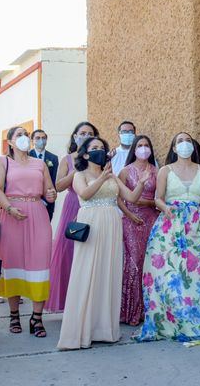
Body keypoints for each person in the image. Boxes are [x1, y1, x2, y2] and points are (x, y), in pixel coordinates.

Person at [135, 132, 200, 345]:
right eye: (180, 141)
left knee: (196, 276)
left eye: (187, 140)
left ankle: (196, 324)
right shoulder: (165, 170)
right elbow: (157, 199)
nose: (184, 144)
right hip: (169, 228)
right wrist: (166, 208)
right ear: (173, 148)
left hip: (197, 228)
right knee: (171, 277)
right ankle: (172, 323)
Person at [57, 137, 149, 349]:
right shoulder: (79, 175)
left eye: (102, 148)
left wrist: (142, 183)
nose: (100, 151)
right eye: (95, 148)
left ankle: (103, 329)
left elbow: (131, 198)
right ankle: (80, 331)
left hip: (112, 224)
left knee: (107, 273)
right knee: (87, 272)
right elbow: (85, 194)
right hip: (91, 222)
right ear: (86, 154)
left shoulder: (113, 177)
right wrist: (103, 177)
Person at [0, 126, 57, 338]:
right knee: (13, 263)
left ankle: (37, 317)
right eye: (19, 135)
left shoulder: (40, 163)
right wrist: (8, 207)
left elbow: (49, 190)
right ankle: (14, 314)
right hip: (10, 214)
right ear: (9, 141)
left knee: (40, 263)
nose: (24, 138)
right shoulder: (2, 162)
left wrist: (51, 194)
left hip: (37, 213)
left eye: (26, 135)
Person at [45, 121, 98, 313]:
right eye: (82, 133)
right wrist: (77, 168)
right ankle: (69, 302)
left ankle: (90, 301)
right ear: (75, 137)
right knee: (69, 251)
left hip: (94, 206)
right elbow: (58, 186)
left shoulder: (99, 158)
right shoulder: (67, 159)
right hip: (73, 204)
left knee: (91, 250)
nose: (85, 136)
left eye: (90, 133)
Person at [118, 135, 158, 325]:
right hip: (131, 219)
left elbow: (160, 198)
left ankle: (148, 310)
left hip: (151, 218)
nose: (143, 148)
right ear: (134, 149)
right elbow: (118, 198)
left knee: (149, 263)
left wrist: (147, 202)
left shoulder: (157, 171)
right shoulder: (125, 171)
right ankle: (130, 311)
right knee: (133, 261)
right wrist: (129, 214)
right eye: (140, 145)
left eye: (146, 145)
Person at [29, 129, 59, 220]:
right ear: (32, 141)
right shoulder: (27, 155)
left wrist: (46, 200)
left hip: (48, 203)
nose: (41, 140)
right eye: (37, 138)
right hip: (30, 202)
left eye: (43, 138)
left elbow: (54, 181)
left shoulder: (53, 158)